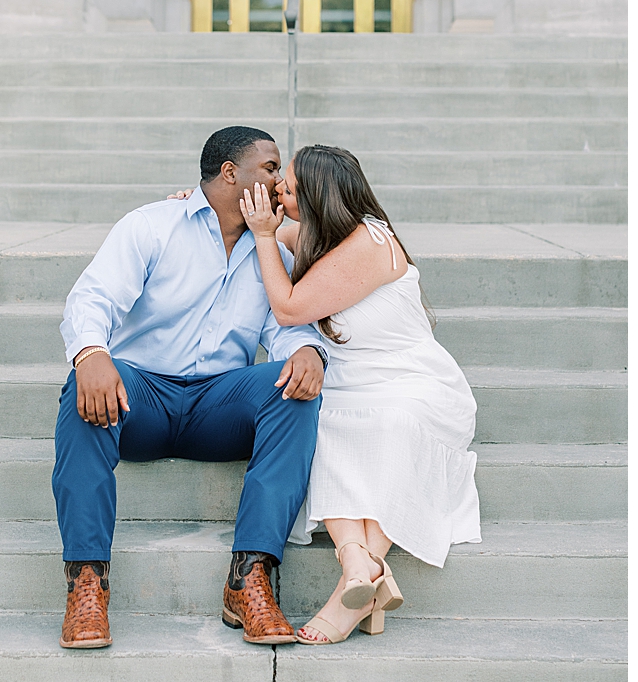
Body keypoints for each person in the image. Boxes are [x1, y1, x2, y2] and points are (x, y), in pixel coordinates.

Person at [54, 126, 329, 649]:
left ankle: (249, 578)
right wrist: (90, 353)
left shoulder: (271, 250)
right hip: (140, 400)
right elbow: (93, 298)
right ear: (231, 174)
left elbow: (287, 326)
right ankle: (86, 582)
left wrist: (309, 351)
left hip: (216, 405)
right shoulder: (151, 226)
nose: (279, 180)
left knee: (292, 388)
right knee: (82, 385)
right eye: (271, 168)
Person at [237, 144, 480, 645]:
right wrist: (186, 205)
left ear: (321, 195)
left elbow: (286, 308)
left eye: (291, 185)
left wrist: (264, 235)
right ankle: (363, 571)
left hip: (412, 381)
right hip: (350, 381)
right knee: (323, 421)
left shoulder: (370, 241)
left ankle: (348, 590)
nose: (280, 188)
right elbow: (239, 226)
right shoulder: (308, 234)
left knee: (392, 424)